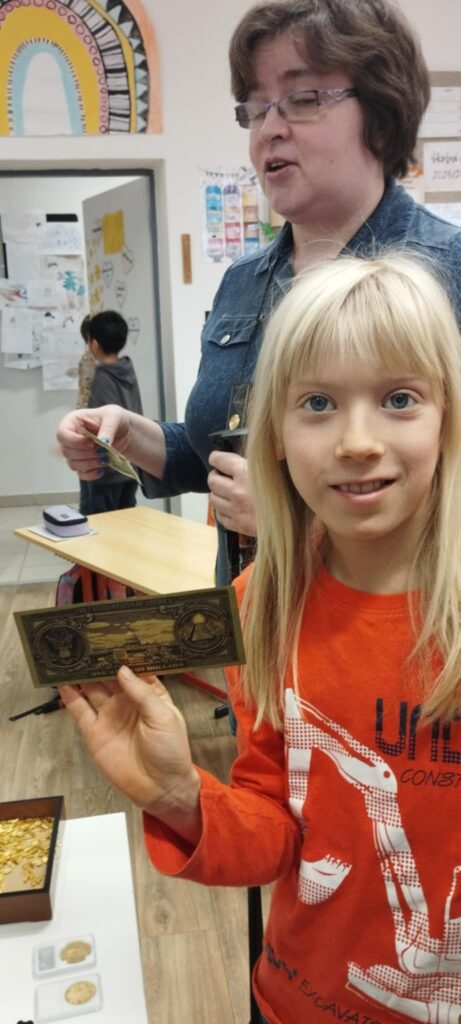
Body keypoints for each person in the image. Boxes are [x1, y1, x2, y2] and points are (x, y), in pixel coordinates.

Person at [59, 251, 461, 1024]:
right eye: (316, 403)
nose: (356, 440)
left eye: (399, 399)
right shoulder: (262, 604)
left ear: (447, 418)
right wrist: (180, 796)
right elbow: (278, 829)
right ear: (273, 433)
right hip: (295, 1001)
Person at [56, 0, 461, 589]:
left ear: (381, 114)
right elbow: (220, 451)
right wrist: (131, 434)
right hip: (250, 612)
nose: (269, 128)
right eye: (254, 107)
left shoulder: (447, 269)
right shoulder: (244, 279)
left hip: (401, 627)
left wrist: (299, 520)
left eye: (303, 99)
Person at [79, 310, 143, 515]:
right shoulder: (127, 369)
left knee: (97, 522)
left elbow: (93, 427)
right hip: (131, 466)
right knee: (125, 519)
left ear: (94, 344)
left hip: (104, 472)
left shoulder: (99, 378)